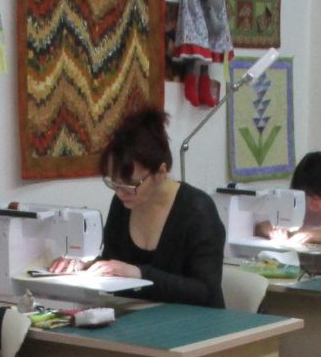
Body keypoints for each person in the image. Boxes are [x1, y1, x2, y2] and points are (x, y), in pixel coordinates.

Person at [76, 107, 226, 307]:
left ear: (161, 172)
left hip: (196, 320)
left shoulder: (198, 211)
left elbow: (205, 291)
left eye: (130, 185)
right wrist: (87, 266)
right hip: (138, 316)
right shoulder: (122, 204)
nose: (120, 193)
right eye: (114, 183)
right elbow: (114, 263)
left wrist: (140, 274)